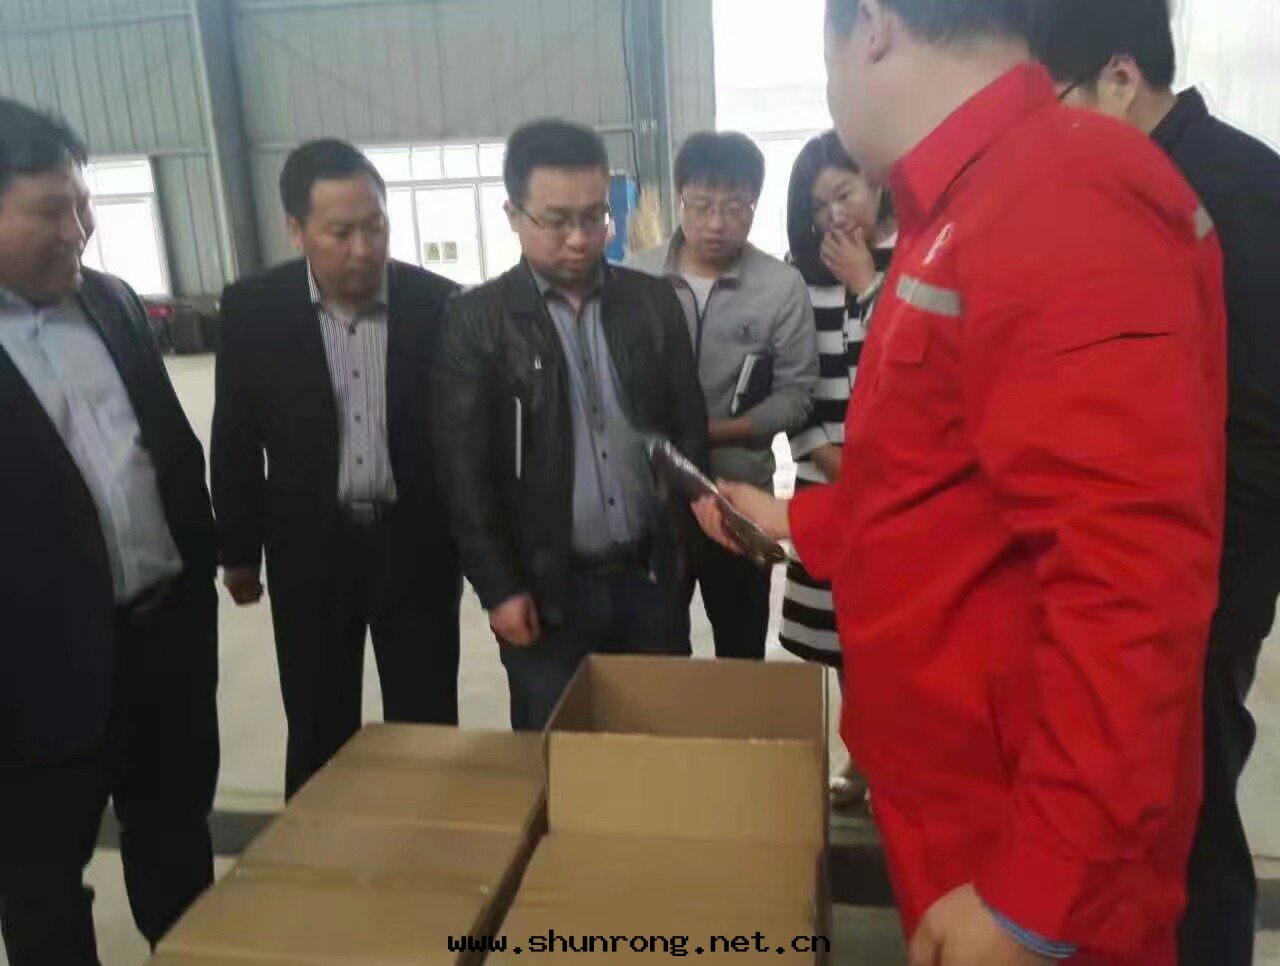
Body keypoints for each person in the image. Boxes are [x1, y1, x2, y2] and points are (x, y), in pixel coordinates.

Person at [692, 1, 1228, 963]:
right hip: (955, 800)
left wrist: (1040, 897)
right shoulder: (962, 206)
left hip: (1023, 839)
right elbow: (936, 481)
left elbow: (1130, 587)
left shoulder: (1064, 192)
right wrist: (796, 520)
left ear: (871, 25)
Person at [1031, 4, 1280, 962]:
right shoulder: (1180, 174)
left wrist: (1198, 588)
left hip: (1206, 572)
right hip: (1174, 563)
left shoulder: (1221, 192)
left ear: (1122, 78)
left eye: (1057, 102)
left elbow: (1254, 426)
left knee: (1195, 805)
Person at [0, 99, 219, 964]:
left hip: (162, 646)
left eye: (84, 204)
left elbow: (169, 453)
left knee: (177, 846)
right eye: (51, 211)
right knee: (43, 886)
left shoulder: (112, 302)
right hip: (31, 682)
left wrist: (195, 587)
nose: (79, 230)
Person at [431, 119, 708, 732]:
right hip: (547, 588)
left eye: (594, 216)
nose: (580, 238)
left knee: (663, 748)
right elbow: (462, 474)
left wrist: (682, 554)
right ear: (513, 214)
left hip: (648, 577)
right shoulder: (477, 321)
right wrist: (499, 587)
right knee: (556, 752)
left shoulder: (652, 303)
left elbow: (687, 432)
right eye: (557, 221)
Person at [212, 139, 462, 798]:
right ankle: (317, 847)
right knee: (318, 721)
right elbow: (234, 436)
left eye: (375, 226)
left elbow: (467, 441)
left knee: (427, 719)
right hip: (309, 551)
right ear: (296, 230)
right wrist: (238, 552)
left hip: (416, 546)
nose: (363, 248)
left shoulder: (439, 305)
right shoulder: (253, 310)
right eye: (340, 232)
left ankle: (432, 838)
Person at [630, 132, 818, 661]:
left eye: (736, 207)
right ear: (680, 198)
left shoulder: (780, 287)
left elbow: (798, 394)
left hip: (740, 497)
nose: (716, 223)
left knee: (741, 647)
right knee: (656, 648)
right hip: (652, 500)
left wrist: (710, 433)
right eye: (701, 205)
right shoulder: (635, 275)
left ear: (755, 204)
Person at [780, 130, 894, 809]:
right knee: (845, 635)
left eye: (844, 194)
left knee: (897, 636)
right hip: (828, 483)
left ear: (877, 182)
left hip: (903, 488)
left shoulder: (914, 260)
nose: (833, 217)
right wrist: (824, 450)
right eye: (818, 206)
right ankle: (862, 761)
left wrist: (866, 283)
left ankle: (901, 761)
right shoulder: (798, 279)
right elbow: (791, 381)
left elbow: (917, 362)